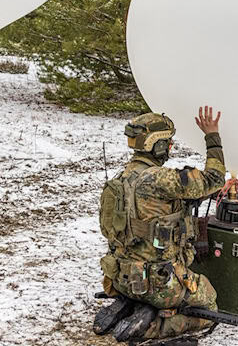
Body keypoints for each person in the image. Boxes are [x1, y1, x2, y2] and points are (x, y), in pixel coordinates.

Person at [94, 106, 230, 343]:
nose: (170, 148)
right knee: (209, 306)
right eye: (167, 143)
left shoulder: (121, 178)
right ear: (155, 145)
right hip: (159, 284)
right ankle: (153, 326)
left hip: (120, 277)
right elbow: (215, 179)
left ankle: (131, 305)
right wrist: (212, 136)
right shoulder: (161, 179)